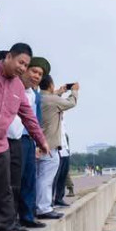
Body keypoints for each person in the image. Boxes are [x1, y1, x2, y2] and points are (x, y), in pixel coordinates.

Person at [0, 44, 50, 231]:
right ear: (9, 57)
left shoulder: (18, 87)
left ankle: (8, 229)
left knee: (4, 188)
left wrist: (41, 140)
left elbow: (28, 116)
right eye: (21, 62)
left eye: (26, 65)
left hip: (1, 142)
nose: (22, 68)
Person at [36, 76, 79, 219]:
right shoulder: (53, 100)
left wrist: (59, 92)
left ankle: (38, 206)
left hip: (37, 144)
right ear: (50, 85)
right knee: (46, 179)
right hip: (50, 145)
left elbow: (50, 99)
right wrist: (74, 91)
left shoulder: (37, 98)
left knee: (38, 178)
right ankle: (44, 208)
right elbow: (71, 103)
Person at [17, 58, 49, 229]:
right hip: (15, 138)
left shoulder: (34, 95)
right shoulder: (14, 87)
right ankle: (12, 220)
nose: (36, 76)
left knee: (29, 180)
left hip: (29, 140)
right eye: (34, 71)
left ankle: (27, 216)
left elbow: (36, 120)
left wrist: (38, 142)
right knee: (16, 181)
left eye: (40, 74)